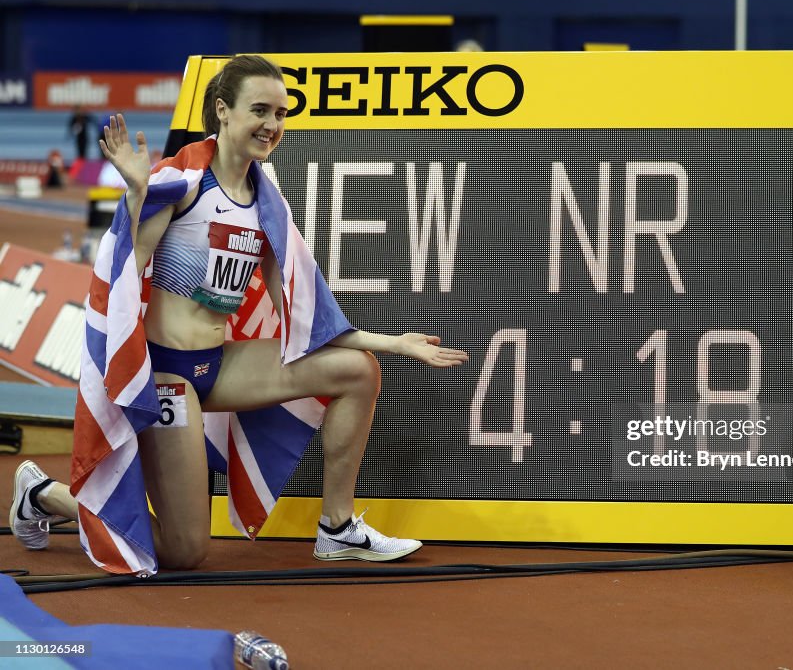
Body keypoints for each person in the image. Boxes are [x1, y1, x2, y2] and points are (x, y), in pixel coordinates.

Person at [10, 55, 468, 574]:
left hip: (219, 366)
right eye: (260, 110)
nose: (272, 125)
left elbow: (304, 312)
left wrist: (394, 343)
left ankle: (337, 528)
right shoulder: (179, 186)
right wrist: (138, 197)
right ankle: (44, 494)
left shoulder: (266, 206)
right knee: (185, 552)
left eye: (281, 113)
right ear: (223, 111)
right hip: (166, 378)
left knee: (358, 371)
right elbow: (126, 270)